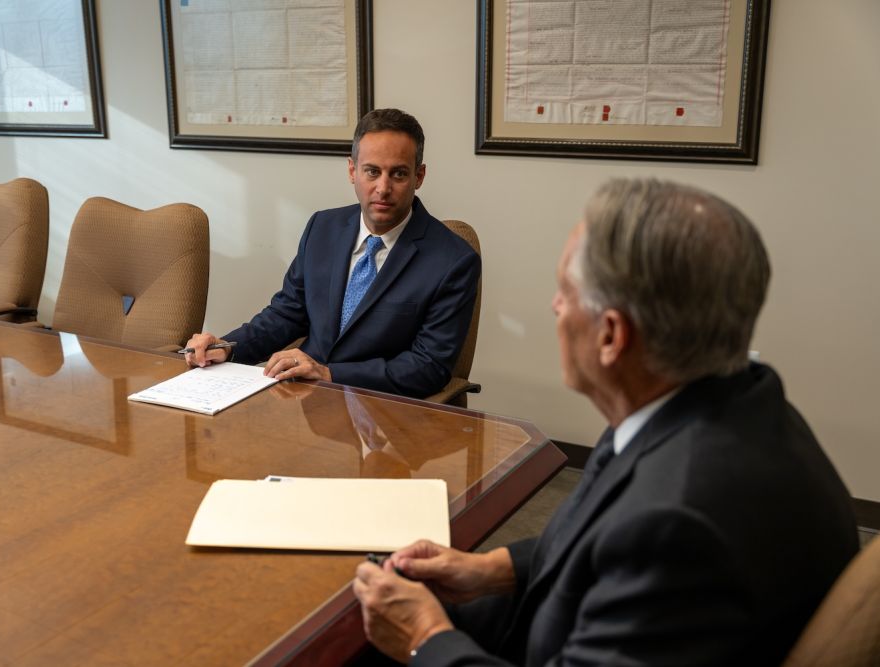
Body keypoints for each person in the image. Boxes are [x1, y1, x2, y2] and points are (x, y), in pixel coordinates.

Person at [353, 179, 859, 665]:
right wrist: (490, 568)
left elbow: (634, 544)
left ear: (612, 336)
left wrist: (425, 639)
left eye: (565, 292)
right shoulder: (729, 395)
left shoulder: (677, 526)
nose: (555, 307)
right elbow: (598, 537)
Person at [185, 109, 480, 398]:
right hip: (307, 404)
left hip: (385, 411)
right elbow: (287, 314)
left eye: (399, 174)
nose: (383, 187)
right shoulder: (323, 228)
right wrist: (229, 347)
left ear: (420, 176)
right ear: (353, 171)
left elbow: (429, 367)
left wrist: (330, 374)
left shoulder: (453, 261)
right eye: (372, 171)